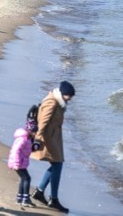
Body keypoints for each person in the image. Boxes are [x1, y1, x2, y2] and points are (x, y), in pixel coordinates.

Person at [31, 81, 76, 213]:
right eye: (69, 96)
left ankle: (40, 192)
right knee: (58, 165)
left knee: (57, 165)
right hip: (47, 138)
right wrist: (38, 140)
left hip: (52, 137)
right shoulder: (52, 102)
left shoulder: (58, 102)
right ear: (63, 94)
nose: (70, 99)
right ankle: (53, 199)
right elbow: (43, 122)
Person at [8, 120, 37, 208]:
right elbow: (15, 150)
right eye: (35, 132)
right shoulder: (22, 139)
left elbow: (26, 150)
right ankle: (25, 199)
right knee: (27, 178)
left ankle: (20, 198)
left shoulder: (27, 139)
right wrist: (16, 163)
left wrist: (33, 148)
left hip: (20, 161)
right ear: (30, 131)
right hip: (18, 162)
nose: (35, 134)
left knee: (23, 178)